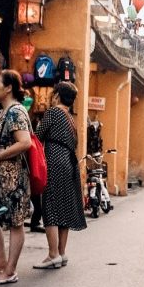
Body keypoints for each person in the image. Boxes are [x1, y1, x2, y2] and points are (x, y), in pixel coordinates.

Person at [0, 70, 34, 285]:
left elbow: (24, 142)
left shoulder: (16, 112)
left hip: (12, 176)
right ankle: (0, 264)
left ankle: (10, 271)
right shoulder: (2, 112)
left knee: (15, 222)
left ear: (8, 87)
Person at [33, 82, 86, 270]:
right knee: (63, 207)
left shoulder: (54, 112)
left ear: (56, 95)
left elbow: (38, 136)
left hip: (54, 161)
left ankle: (52, 254)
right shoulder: (70, 117)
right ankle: (61, 253)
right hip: (68, 163)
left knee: (50, 207)